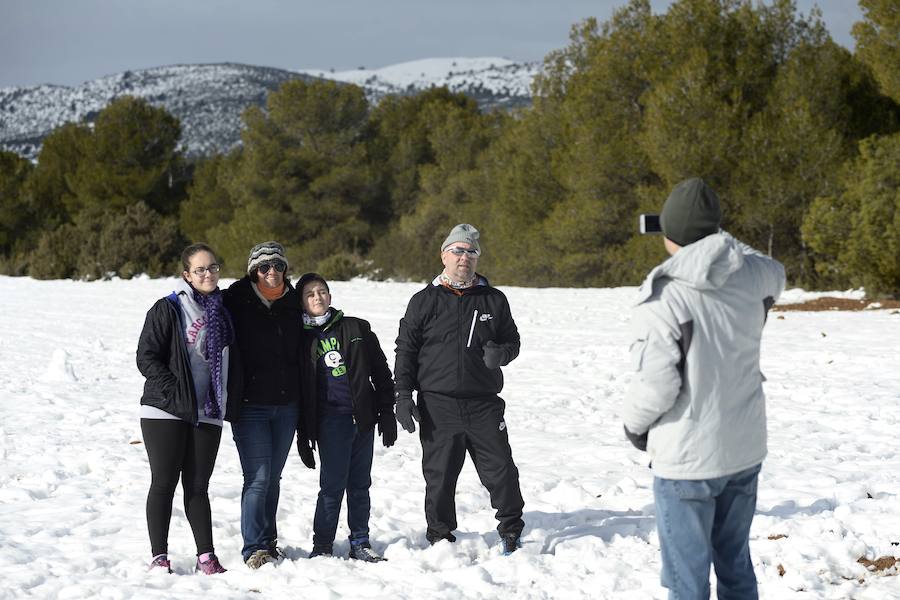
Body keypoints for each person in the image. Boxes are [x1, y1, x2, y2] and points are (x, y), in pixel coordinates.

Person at [622, 178, 786, 599]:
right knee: (735, 566)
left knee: (686, 580)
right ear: (715, 231)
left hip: (687, 459)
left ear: (668, 233)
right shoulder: (753, 276)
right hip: (744, 448)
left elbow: (658, 386)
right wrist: (719, 238)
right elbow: (774, 268)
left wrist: (634, 428)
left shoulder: (666, 296)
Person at [394, 223, 525, 554]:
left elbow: (513, 341)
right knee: (439, 477)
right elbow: (405, 349)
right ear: (444, 255)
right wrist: (403, 395)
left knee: (501, 471)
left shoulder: (493, 299)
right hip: (438, 404)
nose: (464, 257)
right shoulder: (424, 301)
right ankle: (440, 535)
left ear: (477, 258)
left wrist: (502, 354)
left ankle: (511, 528)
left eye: (471, 252)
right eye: (457, 250)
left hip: (484, 403)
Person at [136, 243, 236, 575]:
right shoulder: (169, 308)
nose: (208, 274)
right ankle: (159, 556)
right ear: (186, 275)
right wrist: (177, 393)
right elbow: (146, 358)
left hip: (208, 411)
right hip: (166, 410)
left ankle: (205, 556)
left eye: (213, 268)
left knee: (197, 486)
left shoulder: (223, 312)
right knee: (164, 482)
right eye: (200, 269)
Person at [294, 273, 397, 562]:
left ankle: (360, 541)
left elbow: (380, 371)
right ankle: (323, 544)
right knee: (332, 485)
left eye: (322, 291)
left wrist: (386, 411)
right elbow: (300, 390)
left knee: (360, 484)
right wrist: (304, 434)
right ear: (301, 302)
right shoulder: (301, 339)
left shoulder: (356, 327)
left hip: (362, 418)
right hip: (330, 422)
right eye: (310, 294)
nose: (318, 297)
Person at [224, 241, 309, 569]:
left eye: (278, 265)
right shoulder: (235, 299)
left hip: (287, 405)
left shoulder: (294, 302)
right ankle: (254, 548)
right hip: (249, 406)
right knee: (258, 477)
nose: (272, 271)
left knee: (273, 477)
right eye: (264, 267)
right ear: (253, 270)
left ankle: (269, 541)